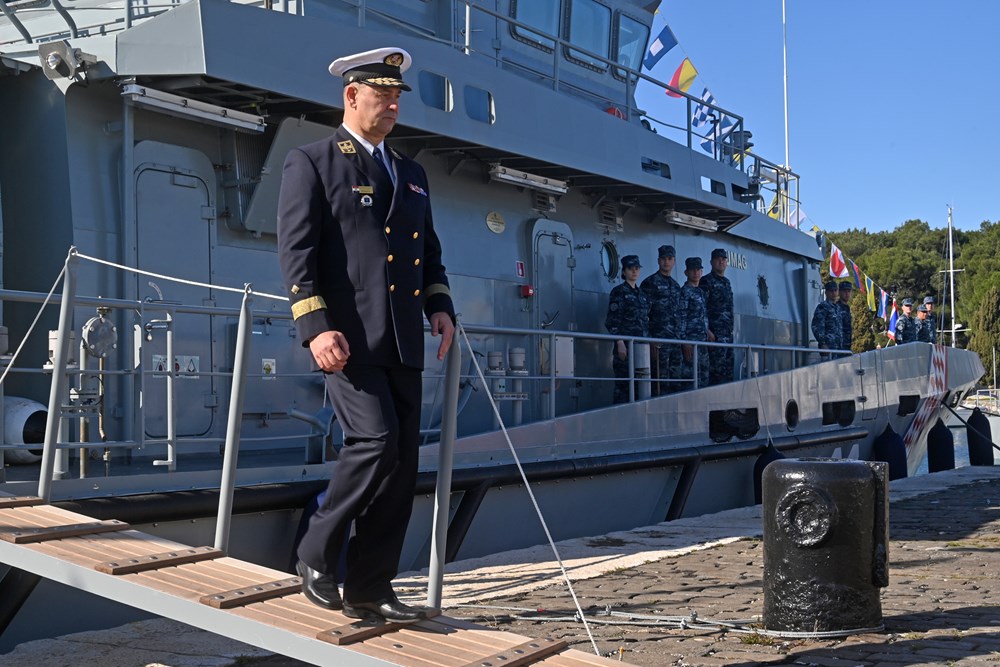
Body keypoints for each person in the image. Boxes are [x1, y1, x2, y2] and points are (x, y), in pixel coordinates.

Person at [277, 47, 455, 624]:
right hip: (347, 339)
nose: (394, 105)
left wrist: (440, 306)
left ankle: (370, 587)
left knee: (401, 468)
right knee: (374, 440)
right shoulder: (314, 162)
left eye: (398, 96)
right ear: (352, 96)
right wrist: (314, 327)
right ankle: (314, 552)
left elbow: (428, 254)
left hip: (403, 340)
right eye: (384, 95)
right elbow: (297, 253)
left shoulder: (412, 173)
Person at [605, 255, 649, 403]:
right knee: (623, 387)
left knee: (640, 387)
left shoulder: (642, 295)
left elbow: (645, 321)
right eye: (630, 268)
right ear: (624, 272)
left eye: (636, 268)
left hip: (641, 348)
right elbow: (612, 320)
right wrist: (620, 342)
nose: (634, 271)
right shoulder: (619, 292)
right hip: (626, 347)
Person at [640, 245, 681, 395]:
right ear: (658, 261)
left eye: (669, 259)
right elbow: (642, 315)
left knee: (675, 383)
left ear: (674, 261)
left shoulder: (676, 286)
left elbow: (679, 315)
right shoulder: (649, 283)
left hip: (675, 343)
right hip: (658, 343)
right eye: (663, 259)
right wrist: (649, 340)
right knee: (659, 384)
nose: (666, 262)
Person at [699, 248, 734, 385]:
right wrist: (707, 330)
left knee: (728, 373)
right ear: (711, 262)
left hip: (727, 336)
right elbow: (701, 307)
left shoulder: (727, 282)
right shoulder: (706, 281)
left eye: (723, 259)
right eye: (718, 259)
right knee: (716, 374)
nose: (721, 262)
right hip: (714, 336)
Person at [677, 257, 710, 389]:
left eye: (698, 270)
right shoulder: (684, 292)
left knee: (704, 377)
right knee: (691, 379)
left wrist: (707, 331)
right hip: (690, 342)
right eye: (692, 270)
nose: (696, 273)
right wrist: (684, 342)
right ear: (686, 272)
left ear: (702, 272)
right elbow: (681, 317)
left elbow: (703, 316)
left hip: (702, 341)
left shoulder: (700, 292)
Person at [811, 280, 842, 355]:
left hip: (838, 348)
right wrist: (823, 343)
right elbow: (816, 326)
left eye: (835, 290)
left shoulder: (837, 308)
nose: (833, 293)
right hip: (828, 348)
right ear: (826, 292)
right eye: (831, 291)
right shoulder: (823, 307)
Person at [838, 281, 854, 352]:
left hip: (847, 345)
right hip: (838, 346)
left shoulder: (847, 308)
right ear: (839, 292)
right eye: (844, 291)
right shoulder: (836, 307)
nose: (847, 294)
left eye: (849, 291)